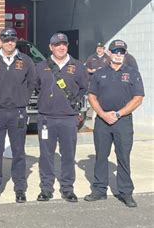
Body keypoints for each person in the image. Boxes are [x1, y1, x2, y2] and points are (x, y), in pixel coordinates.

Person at [84, 39, 144, 208]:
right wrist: (102, 114)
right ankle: (99, 189)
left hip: (123, 121)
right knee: (101, 156)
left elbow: (138, 98)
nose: (118, 55)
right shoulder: (99, 73)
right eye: (115, 51)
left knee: (123, 157)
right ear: (109, 53)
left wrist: (118, 114)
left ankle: (126, 192)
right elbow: (92, 96)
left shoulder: (132, 73)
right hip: (103, 121)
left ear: (125, 54)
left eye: (121, 52)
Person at [0, 27, 37, 203]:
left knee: (18, 152)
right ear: (0, 41)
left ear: (16, 41)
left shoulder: (26, 61)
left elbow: (32, 83)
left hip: (18, 113)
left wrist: (23, 99)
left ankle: (20, 188)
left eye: (12, 39)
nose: (9, 42)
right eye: (6, 40)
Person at [35, 33, 88, 202]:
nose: (61, 47)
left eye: (64, 44)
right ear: (51, 47)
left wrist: (74, 103)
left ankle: (67, 188)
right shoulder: (41, 66)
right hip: (46, 119)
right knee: (46, 155)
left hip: (68, 118)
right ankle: (46, 188)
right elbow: (35, 87)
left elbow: (84, 88)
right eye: (57, 44)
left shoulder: (78, 66)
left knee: (68, 155)